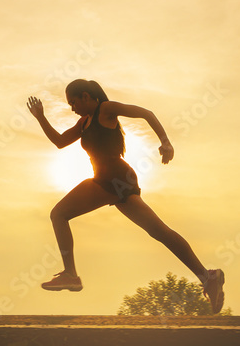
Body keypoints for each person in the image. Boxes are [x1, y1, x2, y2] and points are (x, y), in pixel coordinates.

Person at [27, 79, 225, 313]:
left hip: (111, 177)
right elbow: (60, 142)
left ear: (86, 97)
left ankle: (70, 274)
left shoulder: (106, 109)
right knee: (160, 232)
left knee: (59, 213)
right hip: (119, 179)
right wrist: (40, 117)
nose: (72, 108)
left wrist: (165, 142)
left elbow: (146, 113)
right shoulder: (84, 122)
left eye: (73, 102)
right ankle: (207, 276)